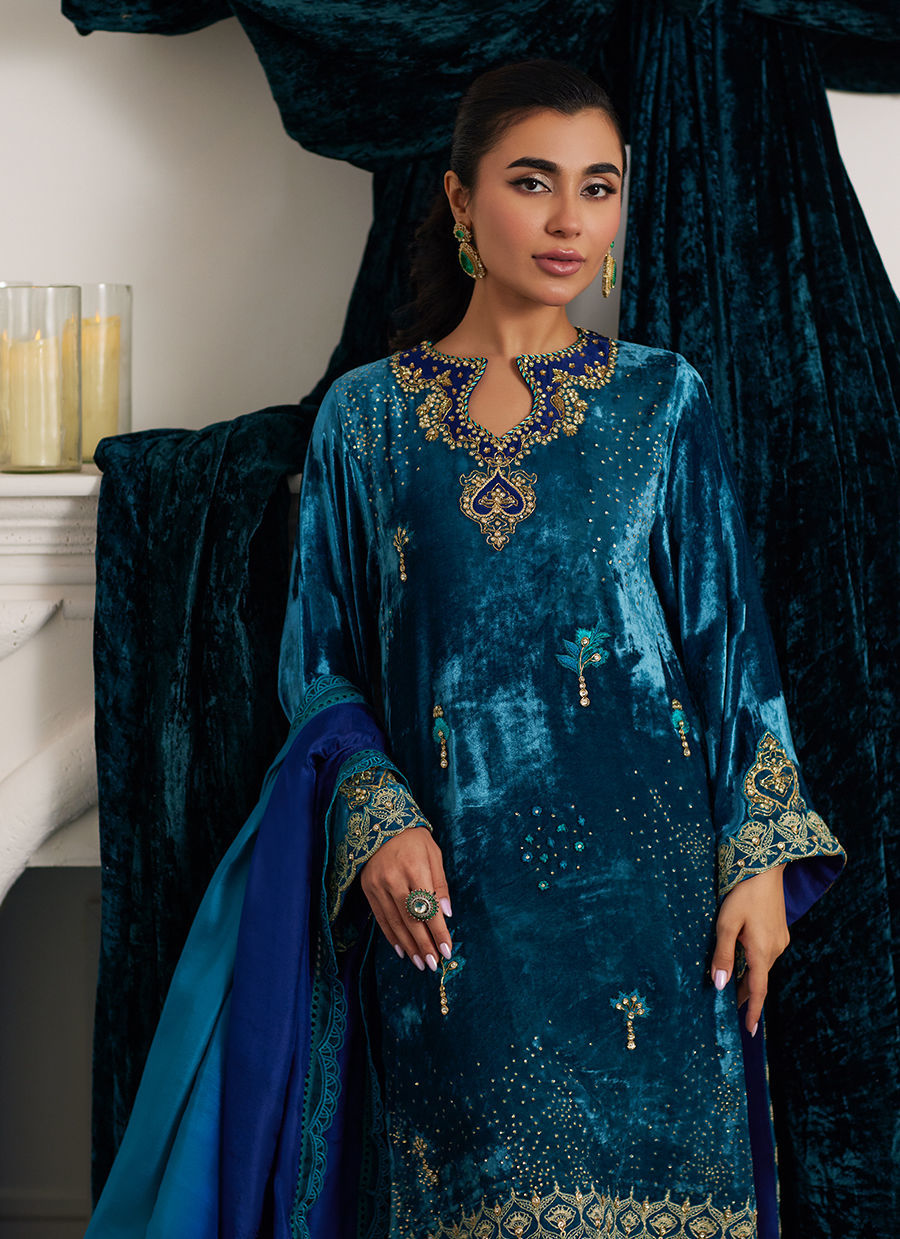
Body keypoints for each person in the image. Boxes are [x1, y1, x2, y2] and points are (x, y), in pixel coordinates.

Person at [85, 59, 845, 1239]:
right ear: (458, 197)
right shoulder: (368, 420)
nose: (569, 219)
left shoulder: (662, 402)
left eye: (599, 187)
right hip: (457, 913)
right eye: (533, 182)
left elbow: (732, 652)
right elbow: (321, 663)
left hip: (656, 911)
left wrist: (757, 864)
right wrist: (375, 812)